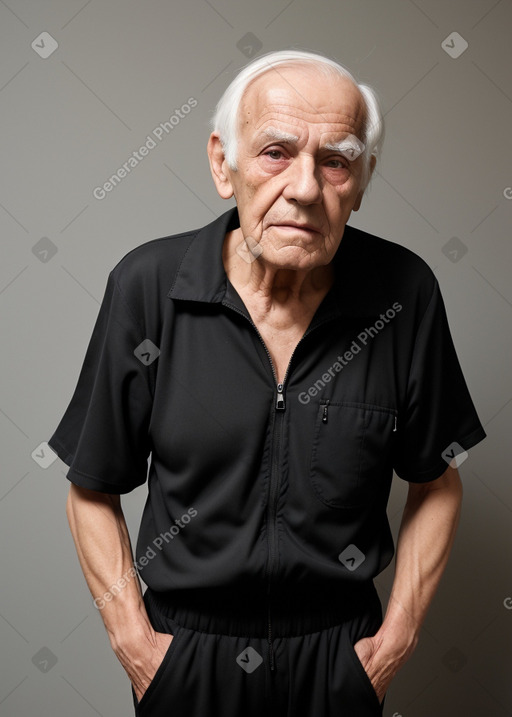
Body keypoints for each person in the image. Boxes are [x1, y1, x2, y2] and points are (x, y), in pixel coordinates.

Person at [48, 49, 486, 716]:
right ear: (223, 164)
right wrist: (137, 646)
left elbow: (438, 477)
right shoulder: (148, 287)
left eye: (335, 160)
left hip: (339, 657)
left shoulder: (405, 293)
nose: (305, 188)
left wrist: (394, 642)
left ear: (362, 181)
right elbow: (91, 484)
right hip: (187, 656)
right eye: (275, 152)